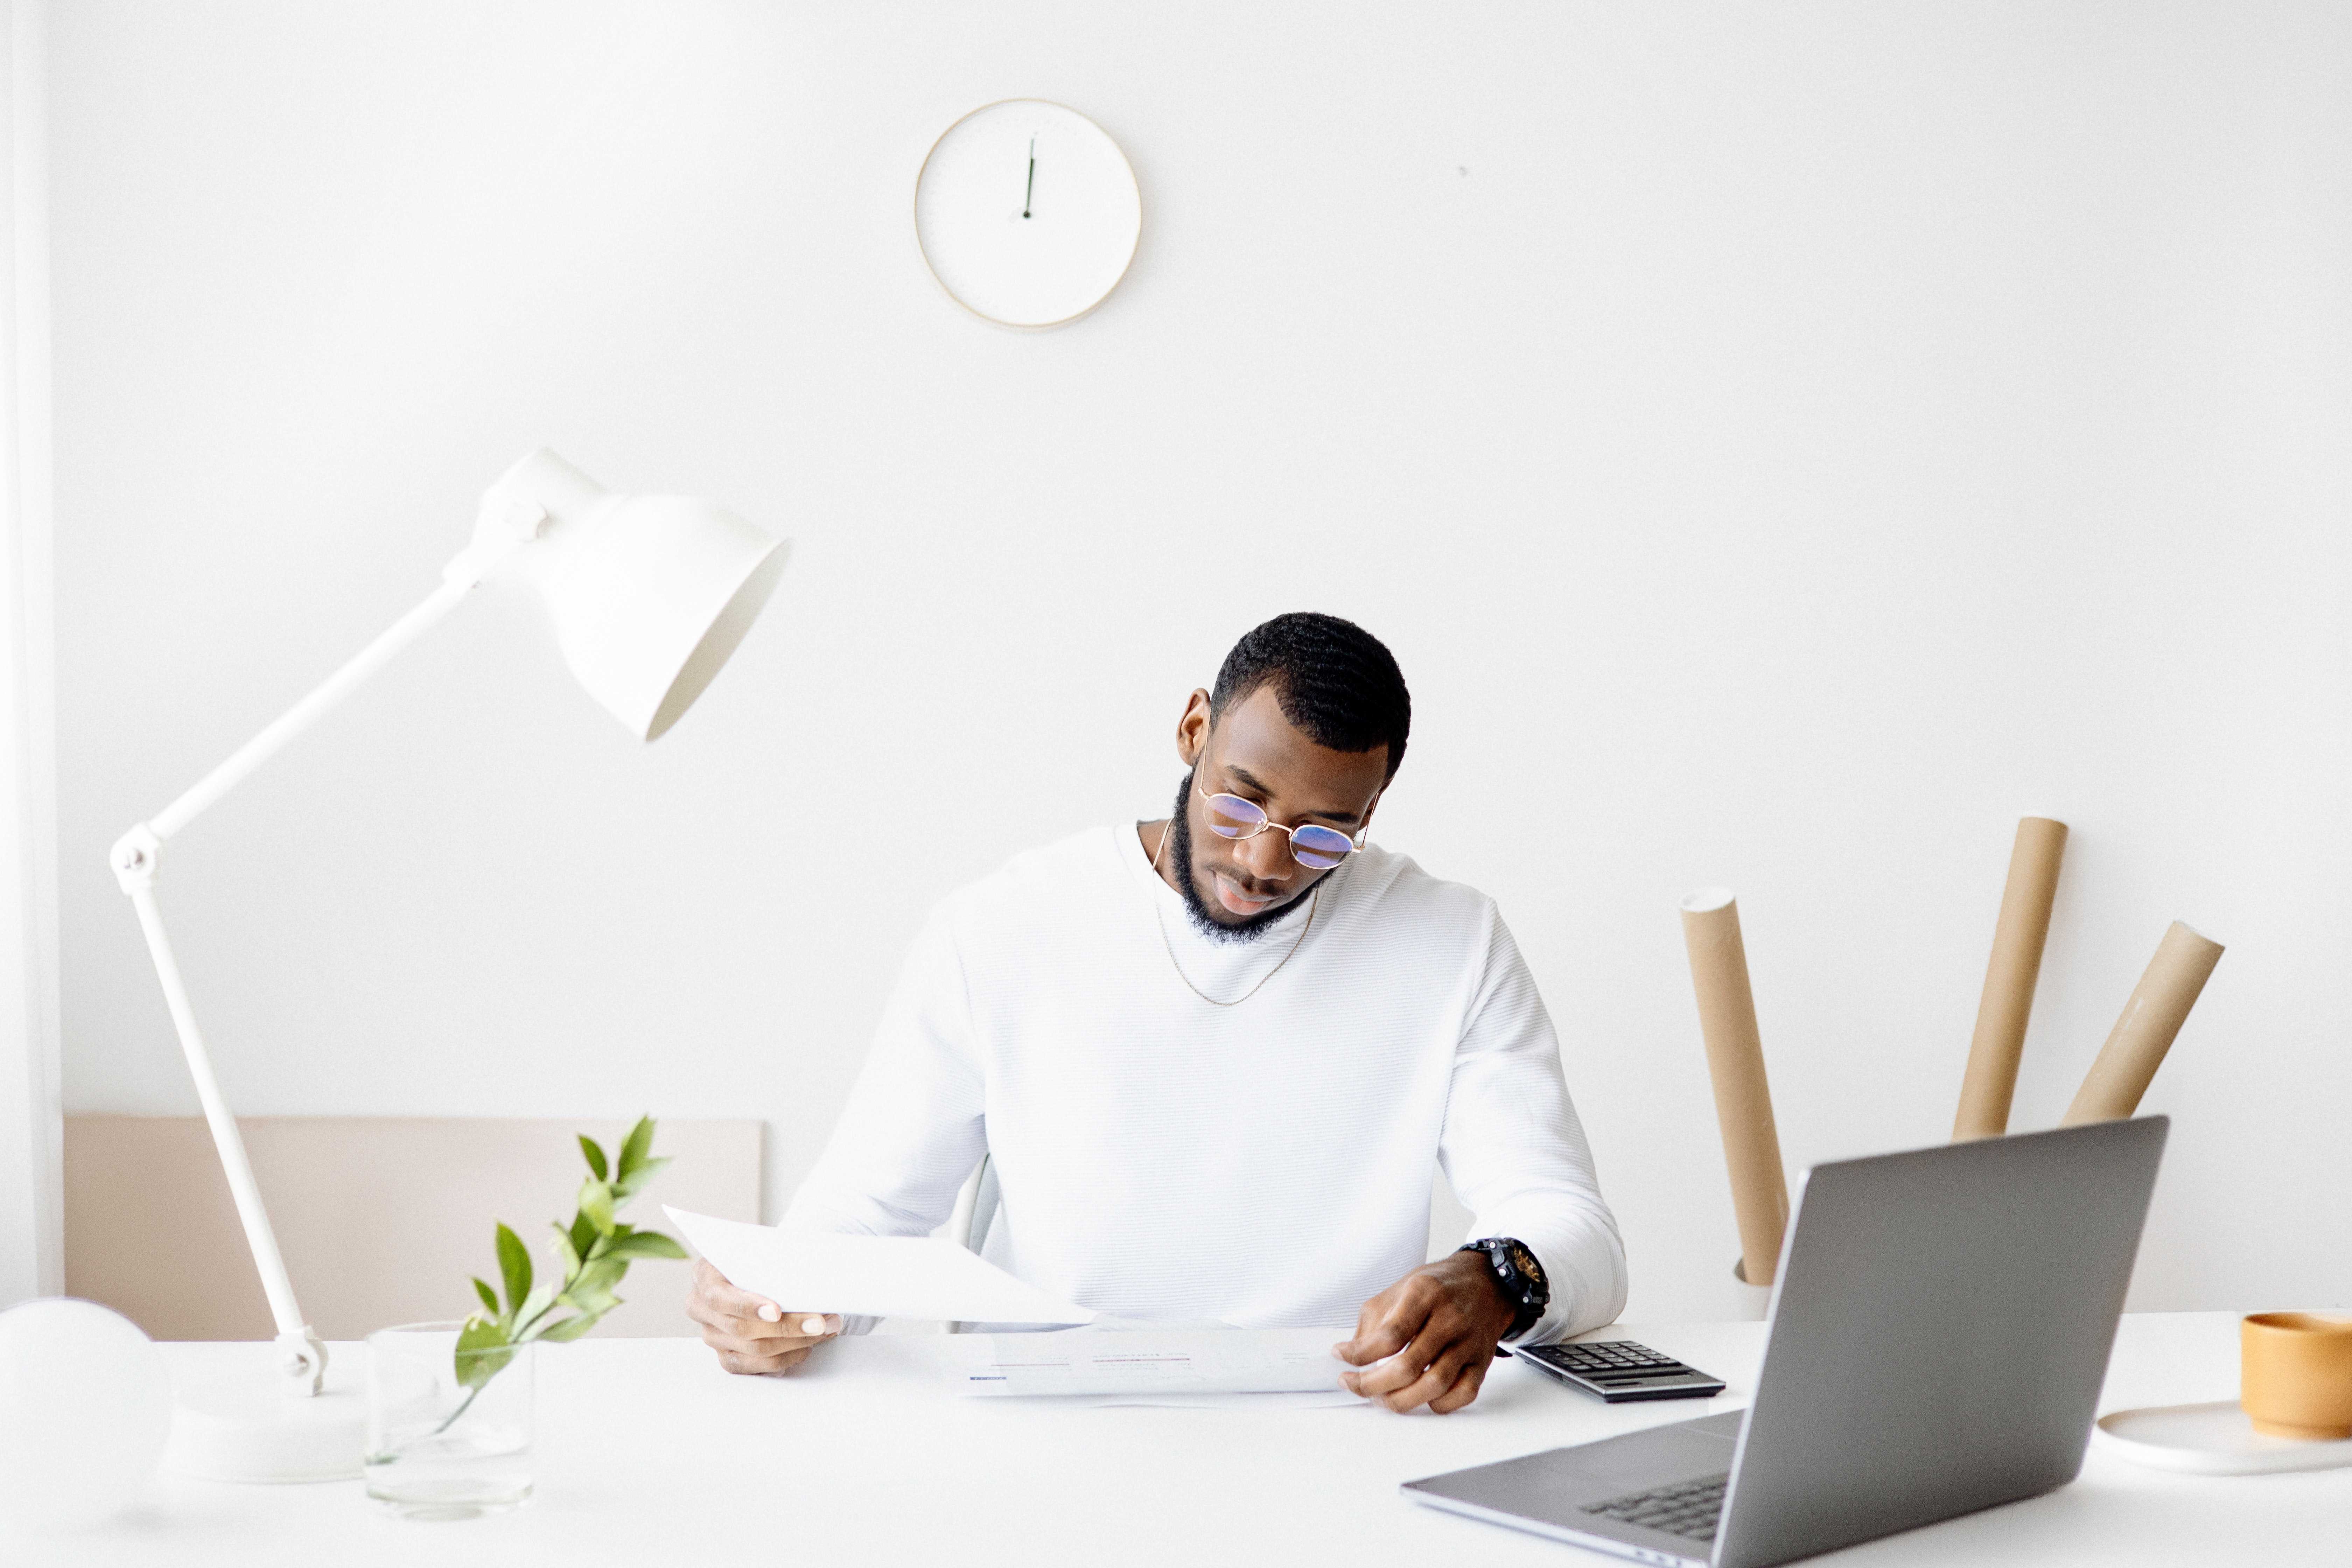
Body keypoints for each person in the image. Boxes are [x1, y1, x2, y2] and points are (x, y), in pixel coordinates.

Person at [687, 613, 1626, 1413]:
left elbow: (1572, 1225)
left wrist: (1499, 1279)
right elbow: (869, 1210)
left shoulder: (1449, 941)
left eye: (1322, 833)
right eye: (1241, 798)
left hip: (1328, 1425)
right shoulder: (1006, 924)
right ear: (1192, 730)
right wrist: (777, 1299)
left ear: (1370, 813)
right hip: (1043, 1419)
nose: (1263, 859)